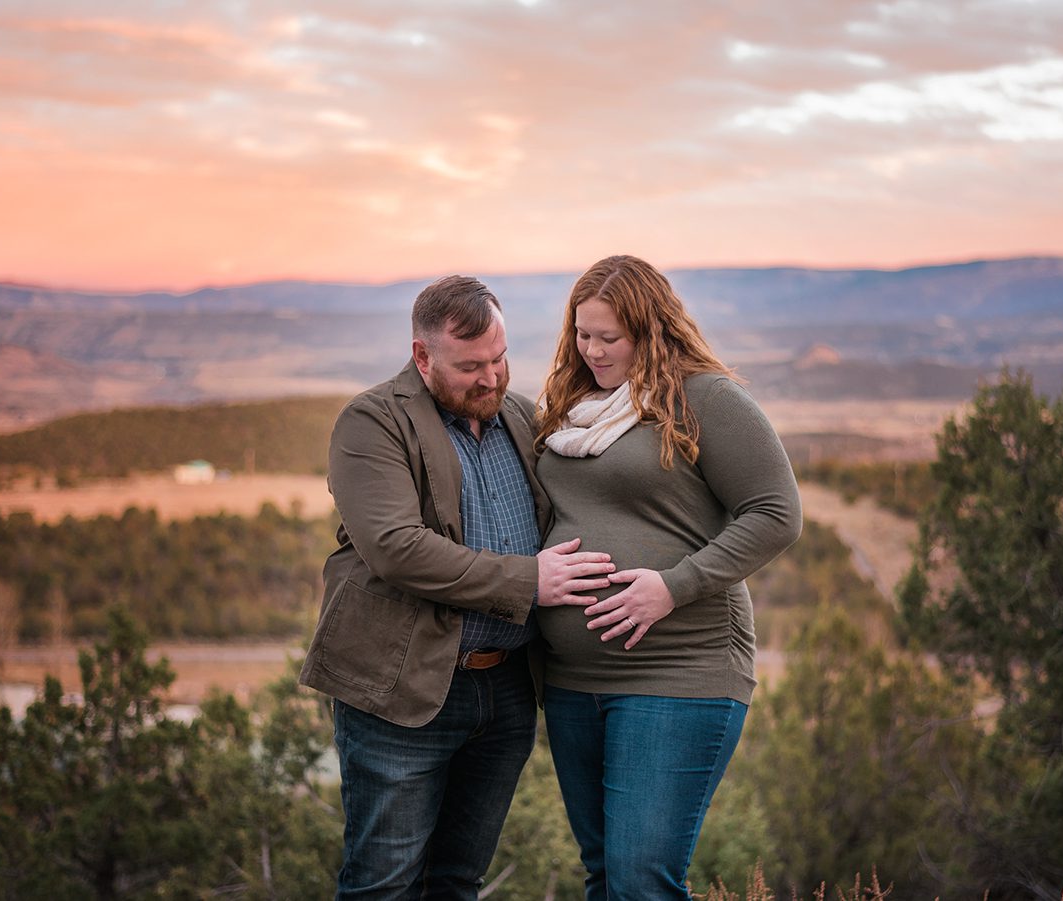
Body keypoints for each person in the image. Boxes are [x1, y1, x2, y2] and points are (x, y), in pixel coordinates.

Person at [299, 275, 616, 900]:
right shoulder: (373, 422)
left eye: (500, 359)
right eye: (471, 366)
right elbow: (397, 548)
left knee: (457, 883)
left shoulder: (521, 417)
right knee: (383, 885)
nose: (492, 378)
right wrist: (531, 580)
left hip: (505, 690)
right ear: (422, 357)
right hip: (404, 691)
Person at [534, 255, 802, 899]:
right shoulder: (570, 407)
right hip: (573, 682)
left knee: (640, 882)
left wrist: (672, 585)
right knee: (605, 876)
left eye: (610, 338)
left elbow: (777, 513)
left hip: (679, 672)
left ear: (651, 331)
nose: (592, 350)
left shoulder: (702, 396)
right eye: (583, 333)